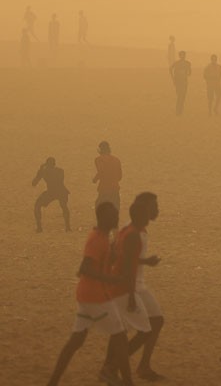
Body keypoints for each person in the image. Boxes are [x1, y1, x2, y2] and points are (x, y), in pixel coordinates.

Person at [46, 202, 134, 386]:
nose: (117, 217)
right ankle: (127, 382)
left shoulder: (102, 237)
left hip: (86, 296)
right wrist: (112, 280)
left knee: (76, 341)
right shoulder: (97, 239)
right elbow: (85, 268)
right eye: (113, 215)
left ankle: (52, 382)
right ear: (103, 218)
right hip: (96, 298)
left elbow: (92, 266)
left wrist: (112, 257)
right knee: (120, 338)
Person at [106, 194, 163, 382]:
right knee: (135, 330)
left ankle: (141, 366)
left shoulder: (135, 230)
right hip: (130, 285)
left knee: (155, 321)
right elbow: (122, 258)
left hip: (135, 283)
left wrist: (144, 261)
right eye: (154, 207)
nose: (157, 210)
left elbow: (123, 256)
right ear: (144, 210)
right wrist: (130, 294)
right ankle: (112, 367)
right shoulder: (132, 232)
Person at [33, 157, 71, 233]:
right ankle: (68, 227)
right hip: (62, 191)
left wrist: (40, 171)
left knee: (37, 205)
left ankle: (39, 227)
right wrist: (42, 172)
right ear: (54, 164)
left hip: (52, 192)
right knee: (64, 207)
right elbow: (59, 180)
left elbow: (34, 183)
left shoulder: (44, 172)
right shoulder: (60, 171)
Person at [93, 141, 123, 213]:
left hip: (104, 189)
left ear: (100, 150)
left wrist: (95, 179)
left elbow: (101, 172)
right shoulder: (116, 160)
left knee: (99, 207)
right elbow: (120, 177)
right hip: (115, 188)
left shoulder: (98, 160)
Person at [169, 51, 191, 116]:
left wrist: (186, 73)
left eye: (183, 55)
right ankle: (178, 111)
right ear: (179, 56)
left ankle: (180, 110)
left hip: (184, 81)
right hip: (178, 82)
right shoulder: (176, 63)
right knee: (179, 96)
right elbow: (170, 69)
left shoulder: (187, 63)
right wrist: (173, 78)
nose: (183, 56)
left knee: (183, 96)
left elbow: (190, 73)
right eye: (181, 55)